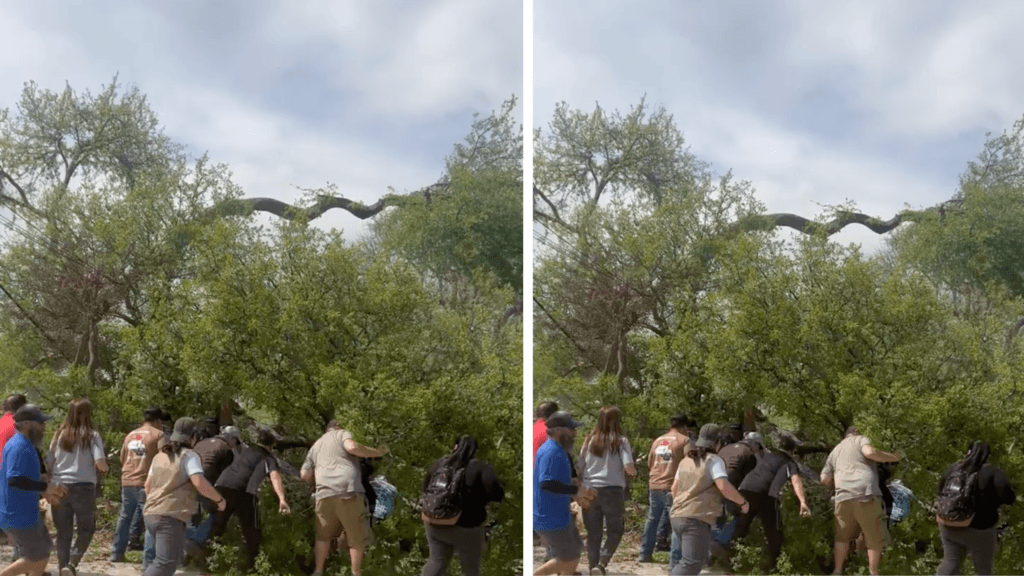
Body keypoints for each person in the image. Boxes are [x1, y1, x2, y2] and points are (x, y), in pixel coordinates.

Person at [141, 417, 225, 576]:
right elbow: (199, 482)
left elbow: (147, 486)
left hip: (150, 514)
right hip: (170, 516)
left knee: (163, 562)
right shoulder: (189, 456)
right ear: (193, 437)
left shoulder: (159, 456)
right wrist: (219, 500)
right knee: (164, 564)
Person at [301, 420, 386, 576]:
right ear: (337, 427)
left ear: (326, 430)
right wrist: (377, 452)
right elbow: (352, 448)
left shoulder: (315, 446)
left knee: (323, 537)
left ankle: (318, 571)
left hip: (324, 494)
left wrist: (317, 484)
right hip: (347, 492)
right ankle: (355, 572)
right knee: (356, 537)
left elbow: (304, 474)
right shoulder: (341, 434)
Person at [820, 426, 902, 576]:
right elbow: (869, 453)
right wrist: (893, 457)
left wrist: (836, 487)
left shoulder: (835, 451)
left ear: (844, 436)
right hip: (865, 495)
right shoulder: (860, 439)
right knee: (874, 538)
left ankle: (837, 571)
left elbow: (824, 478)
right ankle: (873, 572)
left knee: (842, 537)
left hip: (843, 497)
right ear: (856, 433)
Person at [669, 424, 749, 576]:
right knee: (691, 564)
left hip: (677, 516)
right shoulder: (714, 460)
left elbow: (674, 489)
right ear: (718, 442)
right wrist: (743, 503)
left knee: (684, 562)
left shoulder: (685, 461)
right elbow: (723, 485)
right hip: (696, 518)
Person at [206, 428, 291, 572]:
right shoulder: (267, 457)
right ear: (273, 445)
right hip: (242, 491)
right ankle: (252, 567)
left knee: (217, 524)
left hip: (221, 486)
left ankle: (206, 562)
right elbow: (275, 477)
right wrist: (282, 499)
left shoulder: (246, 451)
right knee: (252, 529)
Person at [420, 436, 504, 576]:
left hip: (434, 523)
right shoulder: (481, 468)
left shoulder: (438, 465)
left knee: (436, 562)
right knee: (470, 569)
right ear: (475, 451)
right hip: (467, 527)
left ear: (455, 447)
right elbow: (495, 493)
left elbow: (425, 489)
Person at [1, 404, 66, 576]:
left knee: (43, 548)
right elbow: (14, 480)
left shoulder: (25, 445)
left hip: (25, 512)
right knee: (39, 555)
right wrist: (45, 487)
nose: (44, 426)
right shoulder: (19, 447)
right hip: (18, 514)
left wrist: (46, 490)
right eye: (40, 422)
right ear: (26, 424)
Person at [45, 399, 107, 576]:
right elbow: (100, 463)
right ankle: (71, 564)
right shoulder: (92, 435)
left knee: (63, 532)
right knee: (86, 528)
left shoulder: (59, 434)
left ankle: (62, 567)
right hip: (83, 487)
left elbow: (49, 463)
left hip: (60, 486)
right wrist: (104, 469)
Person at [730, 435, 811, 572]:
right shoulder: (789, 462)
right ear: (794, 450)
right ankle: (774, 567)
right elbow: (795, 481)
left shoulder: (769, 457)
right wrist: (803, 502)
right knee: (774, 530)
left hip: (744, 490)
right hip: (765, 495)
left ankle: (731, 561)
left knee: (741, 526)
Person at [936, 441, 1016, 575]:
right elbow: (1007, 496)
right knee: (983, 568)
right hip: (980, 529)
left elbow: (940, 493)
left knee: (950, 562)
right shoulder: (993, 472)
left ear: (968, 452)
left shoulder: (952, 469)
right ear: (987, 456)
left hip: (949, 525)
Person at [534, 411, 596, 576]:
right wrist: (575, 491)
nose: (575, 432)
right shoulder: (551, 452)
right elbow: (546, 483)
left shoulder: (558, 450)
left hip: (558, 515)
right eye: (571, 429)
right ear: (558, 430)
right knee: (569, 556)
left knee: (574, 550)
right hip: (550, 516)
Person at [576, 406, 635, 575]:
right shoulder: (621, 441)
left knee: (593, 533)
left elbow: (580, 466)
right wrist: (633, 472)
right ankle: (601, 564)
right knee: (616, 530)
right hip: (613, 490)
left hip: (590, 490)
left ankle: (592, 567)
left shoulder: (589, 440)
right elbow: (628, 467)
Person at [110, 406, 166, 562]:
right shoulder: (159, 435)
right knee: (150, 518)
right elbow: (164, 460)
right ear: (157, 420)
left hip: (127, 480)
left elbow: (122, 458)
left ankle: (116, 553)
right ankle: (149, 558)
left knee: (125, 517)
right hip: (146, 482)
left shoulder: (130, 435)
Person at [638, 414, 692, 564]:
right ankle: (675, 558)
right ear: (684, 427)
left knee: (652, 519)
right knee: (676, 520)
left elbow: (650, 462)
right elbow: (690, 464)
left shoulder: (658, 441)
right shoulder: (685, 441)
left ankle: (644, 554)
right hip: (673, 485)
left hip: (655, 484)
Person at [186, 425, 241, 553]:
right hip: (206, 483)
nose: (235, 445)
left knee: (193, 514)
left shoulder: (201, 443)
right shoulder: (226, 449)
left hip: (188, 480)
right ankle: (196, 541)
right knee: (219, 512)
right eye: (236, 441)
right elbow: (225, 476)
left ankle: (185, 548)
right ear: (232, 439)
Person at [710, 431, 762, 551]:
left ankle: (710, 545)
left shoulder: (726, 448)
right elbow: (748, 479)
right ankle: (721, 542)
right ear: (754, 444)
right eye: (758, 446)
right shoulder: (749, 454)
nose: (757, 450)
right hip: (729, 485)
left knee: (718, 515)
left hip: (713, 482)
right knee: (740, 513)